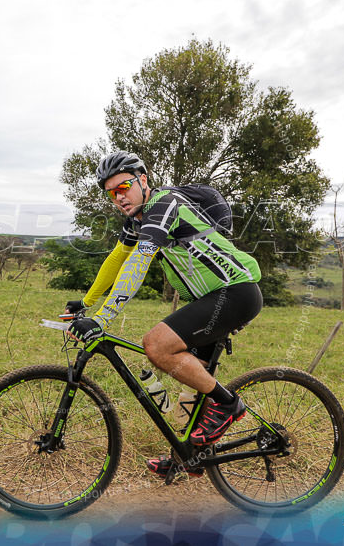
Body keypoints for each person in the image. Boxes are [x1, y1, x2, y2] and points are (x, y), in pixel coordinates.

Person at [65, 150, 263, 478]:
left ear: (143, 180)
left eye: (124, 187)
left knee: (156, 345)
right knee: (192, 386)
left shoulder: (165, 204)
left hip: (235, 292)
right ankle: (188, 458)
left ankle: (229, 404)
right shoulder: (137, 220)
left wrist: (102, 318)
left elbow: (138, 262)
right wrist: (86, 303)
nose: (119, 197)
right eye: (111, 193)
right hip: (211, 299)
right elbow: (117, 260)